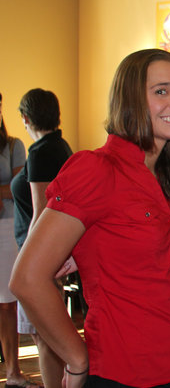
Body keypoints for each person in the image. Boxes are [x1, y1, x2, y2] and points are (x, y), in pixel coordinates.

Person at [10, 49, 170, 388]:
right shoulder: (97, 169)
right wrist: (77, 358)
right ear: (130, 101)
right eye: (161, 91)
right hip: (120, 370)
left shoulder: (168, 175)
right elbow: (26, 278)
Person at [10, 88, 73, 388]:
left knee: (43, 335)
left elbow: (41, 213)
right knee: (48, 333)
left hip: (42, 257)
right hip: (54, 254)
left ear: (25, 117)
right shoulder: (60, 146)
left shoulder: (40, 153)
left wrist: (27, 264)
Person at [0, 92, 38, 388]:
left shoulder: (13, 146)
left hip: (5, 226)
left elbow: (14, 188)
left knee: (6, 303)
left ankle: (13, 371)